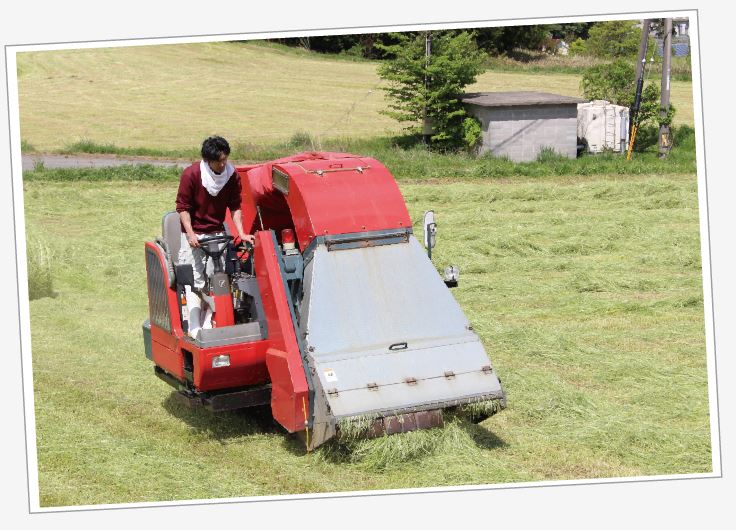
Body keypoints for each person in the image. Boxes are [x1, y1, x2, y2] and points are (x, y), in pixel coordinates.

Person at [175, 135, 255, 338]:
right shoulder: (192, 175)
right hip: (195, 234)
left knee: (219, 278)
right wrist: (191, 234)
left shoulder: (231, 175)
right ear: (207, 160)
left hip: (218, 233)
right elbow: (183, 208)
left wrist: (241, 233)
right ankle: (194, 325)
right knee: (196, 280)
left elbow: (235, 205)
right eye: (219, 161)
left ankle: (210, 320)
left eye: (225, 159)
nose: (223, 163)